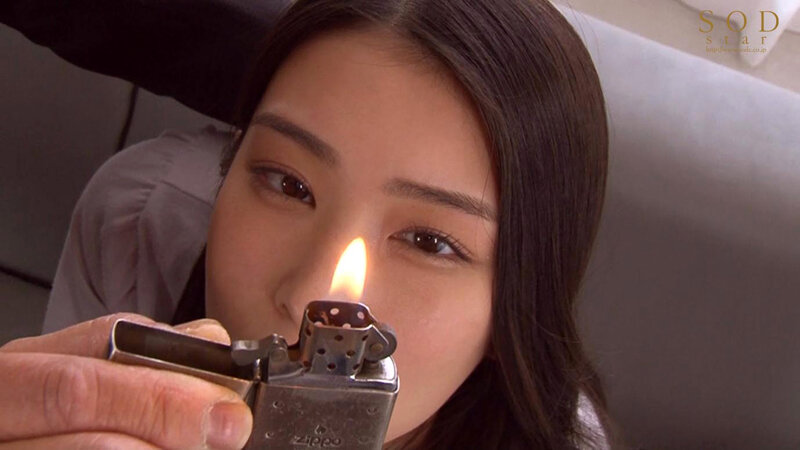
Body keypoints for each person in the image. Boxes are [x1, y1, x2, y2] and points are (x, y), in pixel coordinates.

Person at [0, 0, 614, 448]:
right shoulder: (139, 224)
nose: (310, 307)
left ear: (513, 311)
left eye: (430, 242)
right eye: (289, 184)